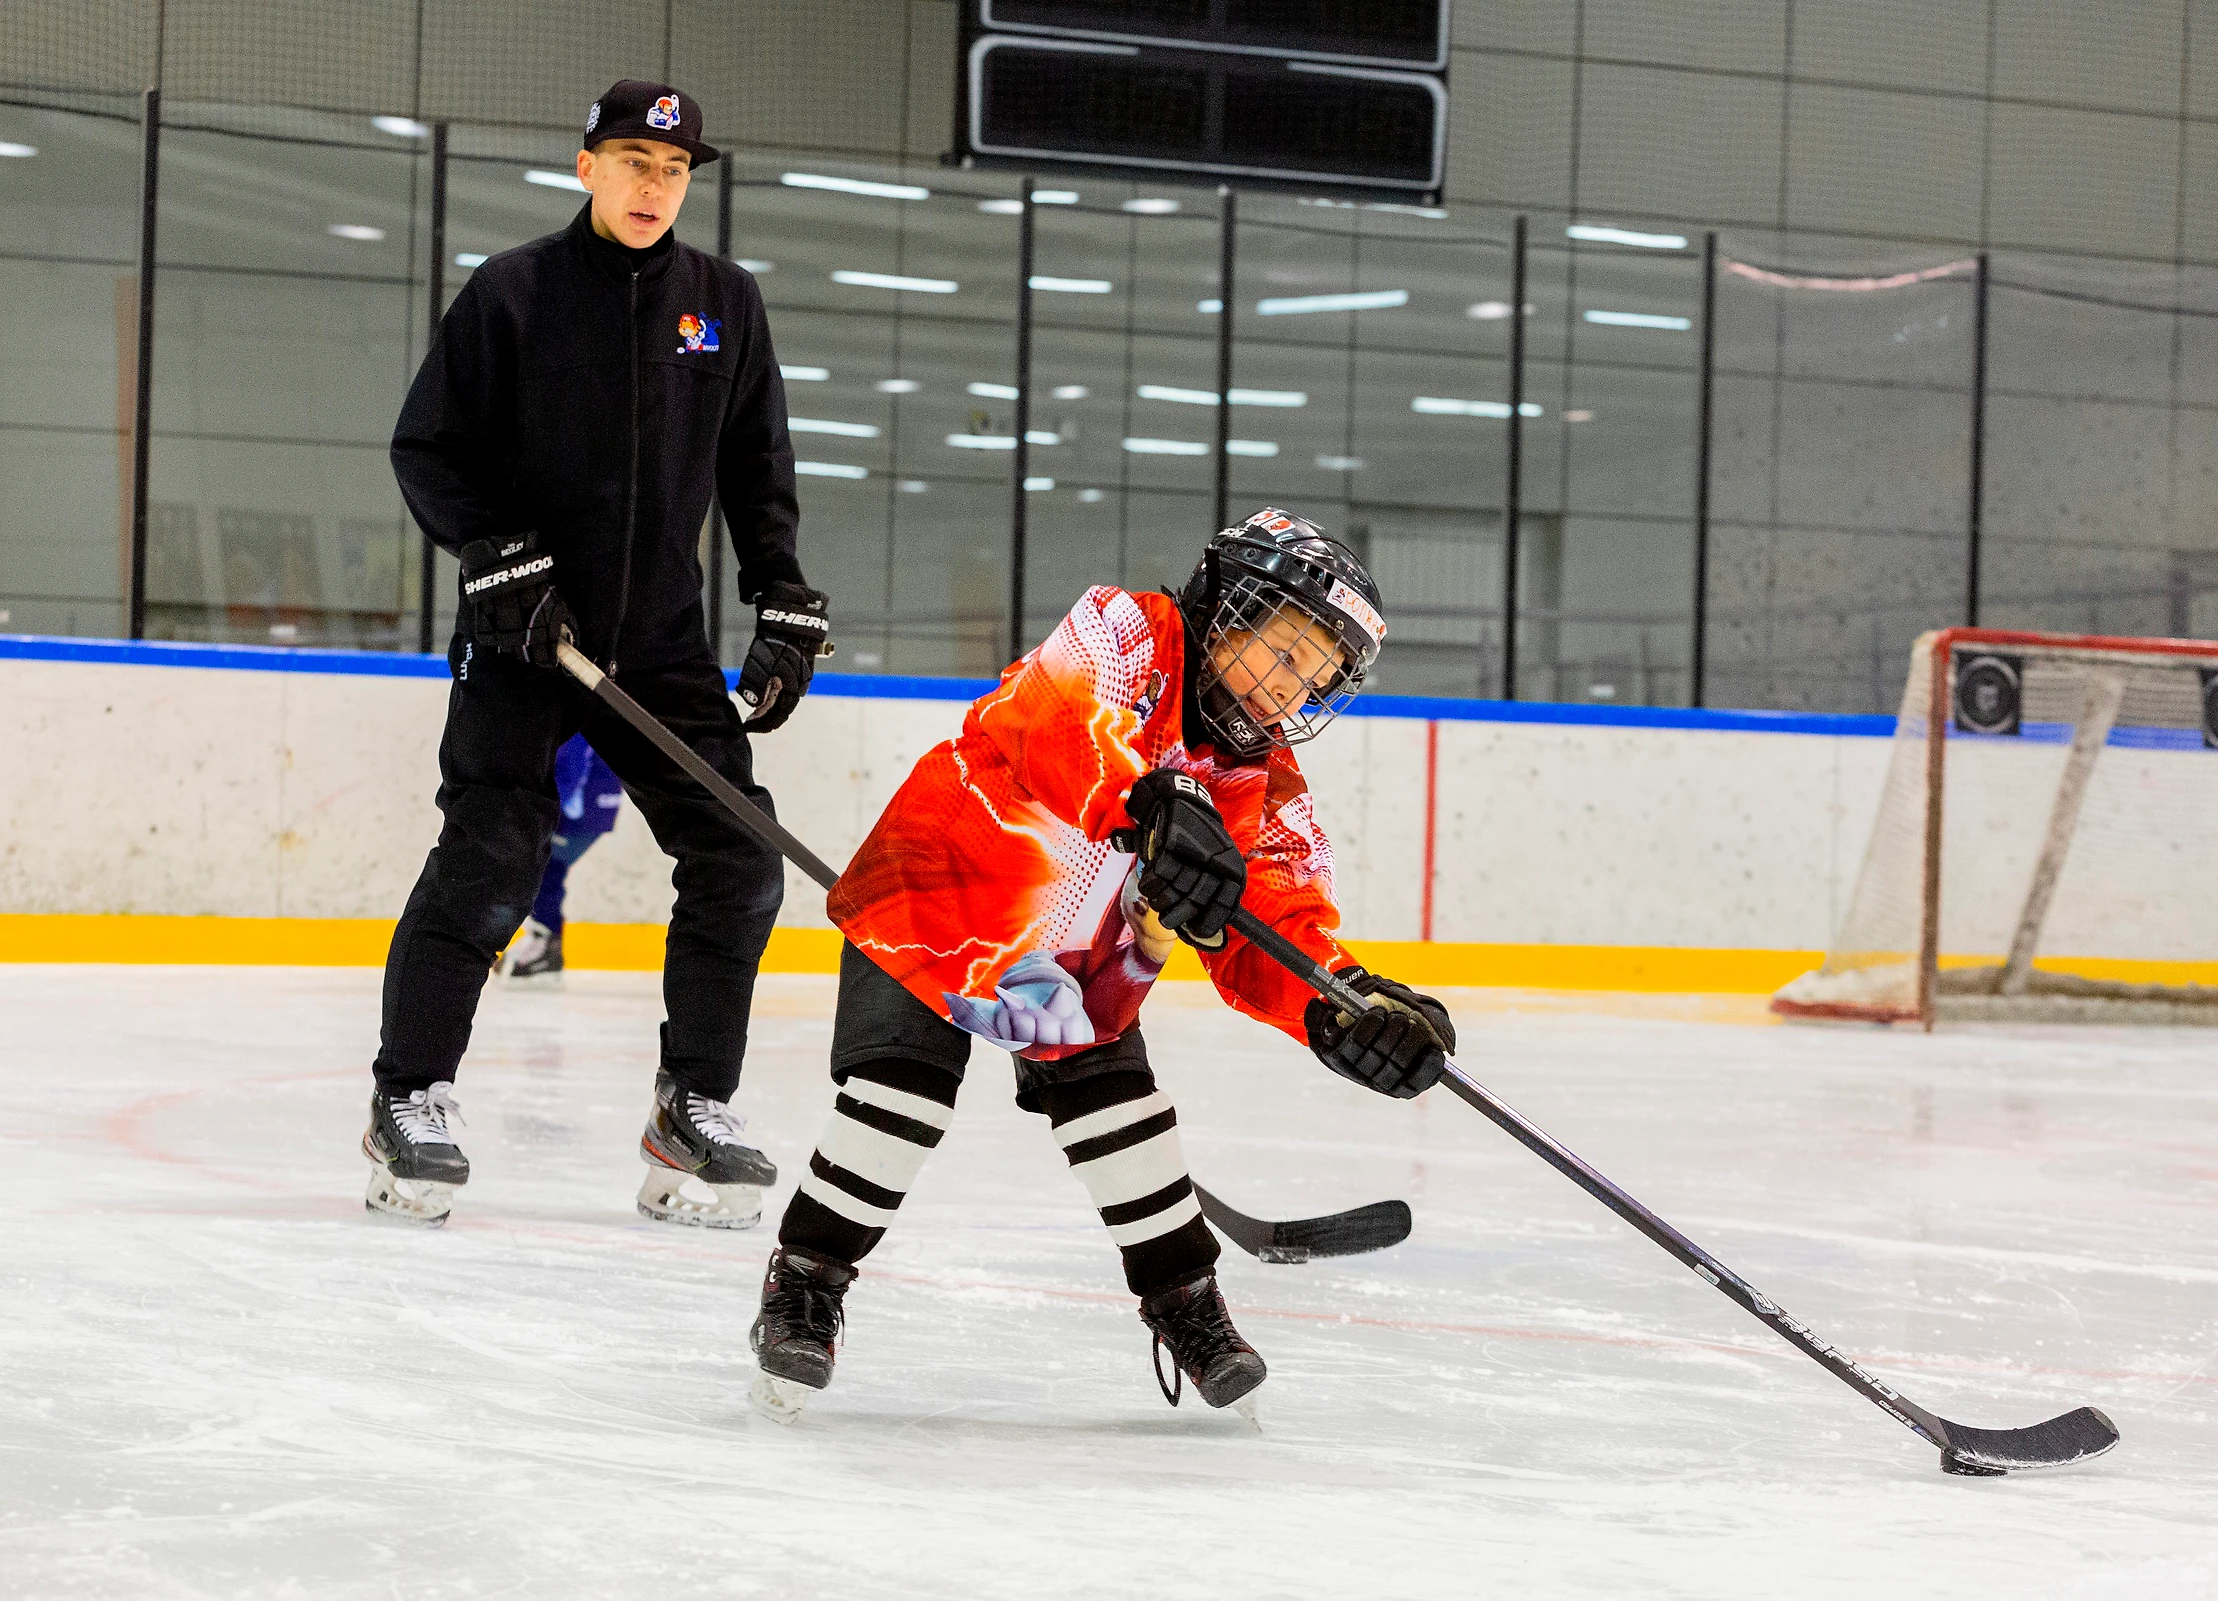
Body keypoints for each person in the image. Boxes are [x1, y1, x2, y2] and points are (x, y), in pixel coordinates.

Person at [747, 509, 1457, 1423]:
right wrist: (1150, 797)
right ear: (1226, 608)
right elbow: (1055, 719)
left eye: (1314, 681)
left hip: (1079, 971)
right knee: (899, 1099)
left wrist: (1341, 1004)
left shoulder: (1263, 784)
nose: (1290, 695)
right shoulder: (1126, 628)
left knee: (1127, 1122)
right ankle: (805, 1280)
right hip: (939, 896)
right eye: (1283, 657)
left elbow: (1277, 918)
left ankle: (1188, 1307)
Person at [361, 79, 831, 1233]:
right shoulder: (513, 293)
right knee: (491, 856)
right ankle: (406, 1097)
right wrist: (497, 556)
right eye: (631, 161)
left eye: (671, 169)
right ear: (586, 167)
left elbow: (755, 472)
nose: (652, 184)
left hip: (659, 641)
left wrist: (782, 596)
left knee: (737, 857)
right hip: (525, 634)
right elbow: (427, 448)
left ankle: (693, 1107)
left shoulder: (724, 302)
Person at [496, 734, 626, 980]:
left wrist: (550, 806)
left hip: (582, 810)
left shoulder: (571, 714)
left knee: (543, 867)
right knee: (544, 866)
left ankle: (545, 943)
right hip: (591, 807)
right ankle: (544, 940)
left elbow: (571, 764)